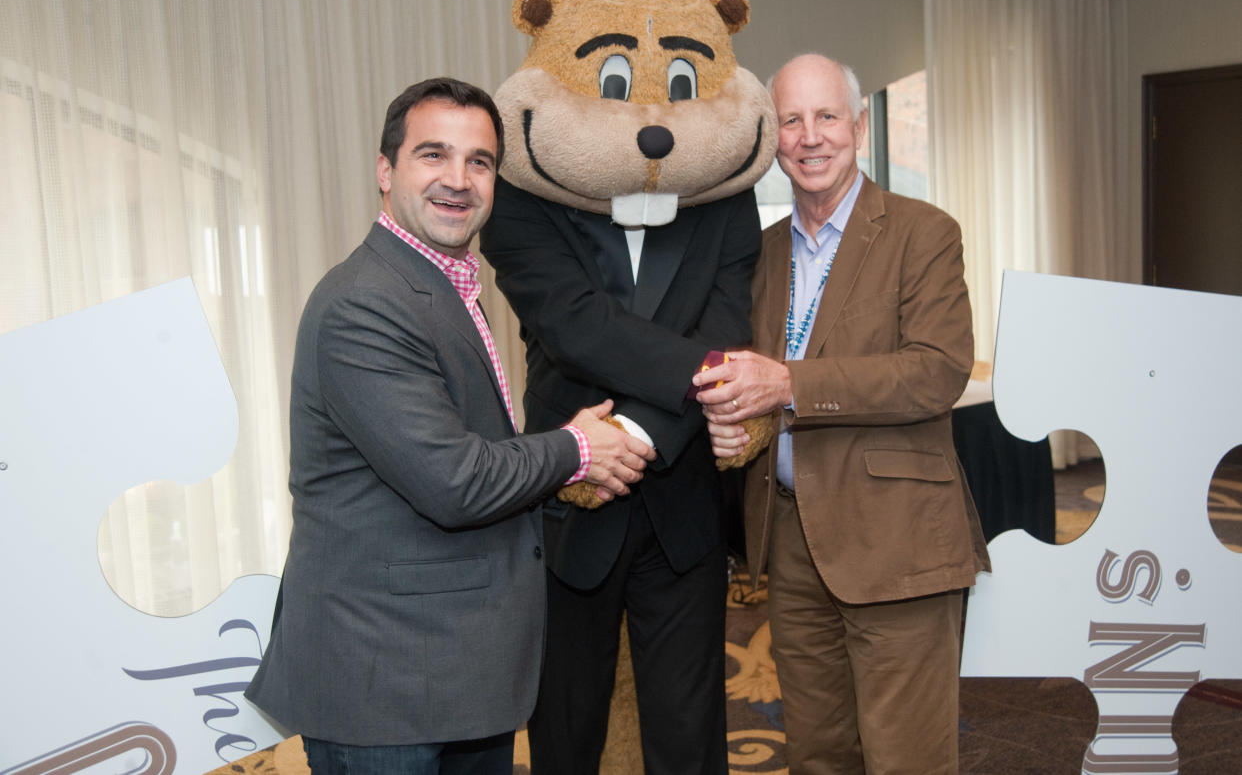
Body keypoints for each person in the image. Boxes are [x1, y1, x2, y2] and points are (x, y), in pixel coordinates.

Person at [245, 77, 655, 775]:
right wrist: (577, 448)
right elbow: (455, 480)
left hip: (455, 671)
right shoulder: (362, 303)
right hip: (383, 684)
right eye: (433, 155)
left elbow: (467, 448)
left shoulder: (447, 283)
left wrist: (563, 451)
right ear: (386, 170)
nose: (458, 180)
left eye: (479, 162)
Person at [693, 54, 991, 775]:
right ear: (773, 140)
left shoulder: (923, 233)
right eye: (791, 120)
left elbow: (935, 371)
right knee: (819, 753)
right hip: (791, 540)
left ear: (858, 126)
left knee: (906, 757)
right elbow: (751, 377)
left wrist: (787, 384)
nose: (809, 136)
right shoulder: (759, 254)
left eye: (827, 116)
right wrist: (732, 419)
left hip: (897, 540)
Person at [478, 131, 761, 775]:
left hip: (685, 501)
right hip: (571, 505)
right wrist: (715, 371)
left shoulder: (722, 195)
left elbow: (724, 327)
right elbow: (579, 329)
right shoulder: (524, 197)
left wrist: (634, 436)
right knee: (565, 735)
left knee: (691, 739)